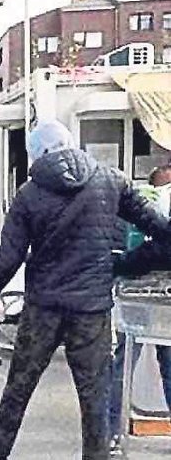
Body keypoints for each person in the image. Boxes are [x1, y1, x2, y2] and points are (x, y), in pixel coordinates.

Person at [0, 120, 171, 460]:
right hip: (91, 311)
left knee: (17, 391)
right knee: (94, 400)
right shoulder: (111, 180)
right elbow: (161, 230)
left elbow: (10, 258)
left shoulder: (28, 195)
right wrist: (124, 263)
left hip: (42, 310)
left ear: (37, 154)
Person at [108, 165, 171, 454]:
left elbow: (159, 249)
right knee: (164, 363)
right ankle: (110, 430)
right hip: (159, 294)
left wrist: (121, 264)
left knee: (123, 362)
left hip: (141, 290)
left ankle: (109, 432)